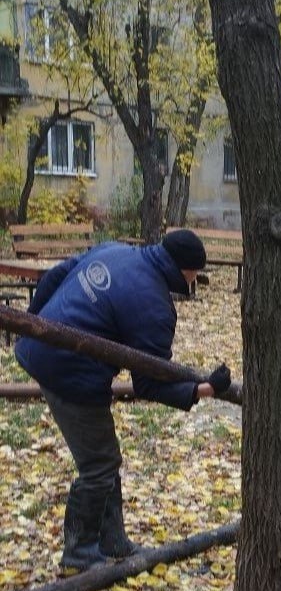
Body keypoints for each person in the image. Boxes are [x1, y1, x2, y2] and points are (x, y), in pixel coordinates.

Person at [15, 229, 232, 571]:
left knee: (106, 458)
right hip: (67, 373)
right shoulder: (155, 307)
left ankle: (113, 542)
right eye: (195, 273)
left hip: (42, 352)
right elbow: (149, 383)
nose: (195, 280)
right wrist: (203, 390)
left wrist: (33, 323)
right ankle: (80, 552)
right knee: (99, 464)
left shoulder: (116, 250)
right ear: (184, 270)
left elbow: (56, 275)